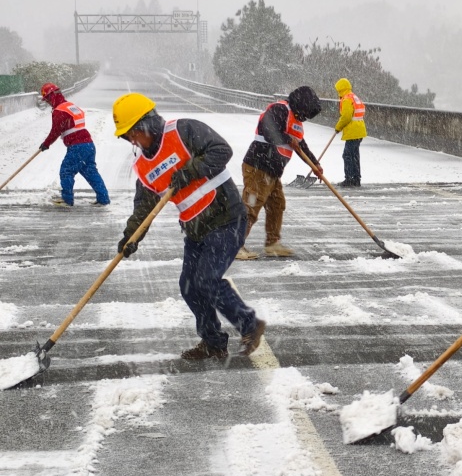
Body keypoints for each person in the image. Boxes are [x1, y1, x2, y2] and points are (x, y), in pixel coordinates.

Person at [112, 92, 266, 360]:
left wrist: (191, 170)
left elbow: (222, 150)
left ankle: (250, 325)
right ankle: (213, 342)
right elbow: (143, 209)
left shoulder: (184, 130)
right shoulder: (144, 167)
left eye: (134, 133)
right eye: (128, 137)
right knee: (189, 286)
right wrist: (131, 236)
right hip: (195, 230)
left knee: (206, 280)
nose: (133, 140)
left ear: (149, 123)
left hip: (226, 218)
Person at [236, 86, 323, 260]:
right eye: (304, 113)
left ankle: (272, 243)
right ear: (300, 104)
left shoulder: (295, 122)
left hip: (272, 172)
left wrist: (315, 165)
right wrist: (287, 139)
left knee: (277, 205)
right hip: (258, 165)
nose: (304, 118)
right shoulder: (280, 109)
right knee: (251, 205)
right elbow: (269, 131)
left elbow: (301, 147)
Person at [38, 83, 110, 207]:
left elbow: (55, 131)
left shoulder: (59, 110)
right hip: (88, 144)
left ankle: (67, 200)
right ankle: (103, 199)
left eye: (48, 99)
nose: (48, 102)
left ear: (51, 96)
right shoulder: (70, 106)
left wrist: (46, 144)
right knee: (91, 172)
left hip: (78, 146)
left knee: (66, 171)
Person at [334, 78, 367, 187]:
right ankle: (356, 179)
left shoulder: (346, 99)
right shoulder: (354, 96)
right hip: (359, 130)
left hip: (353, 131)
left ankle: (349, 179)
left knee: (347, 155)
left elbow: (346, 116)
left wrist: (338, 127)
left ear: (340, 89)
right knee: (354, 155)